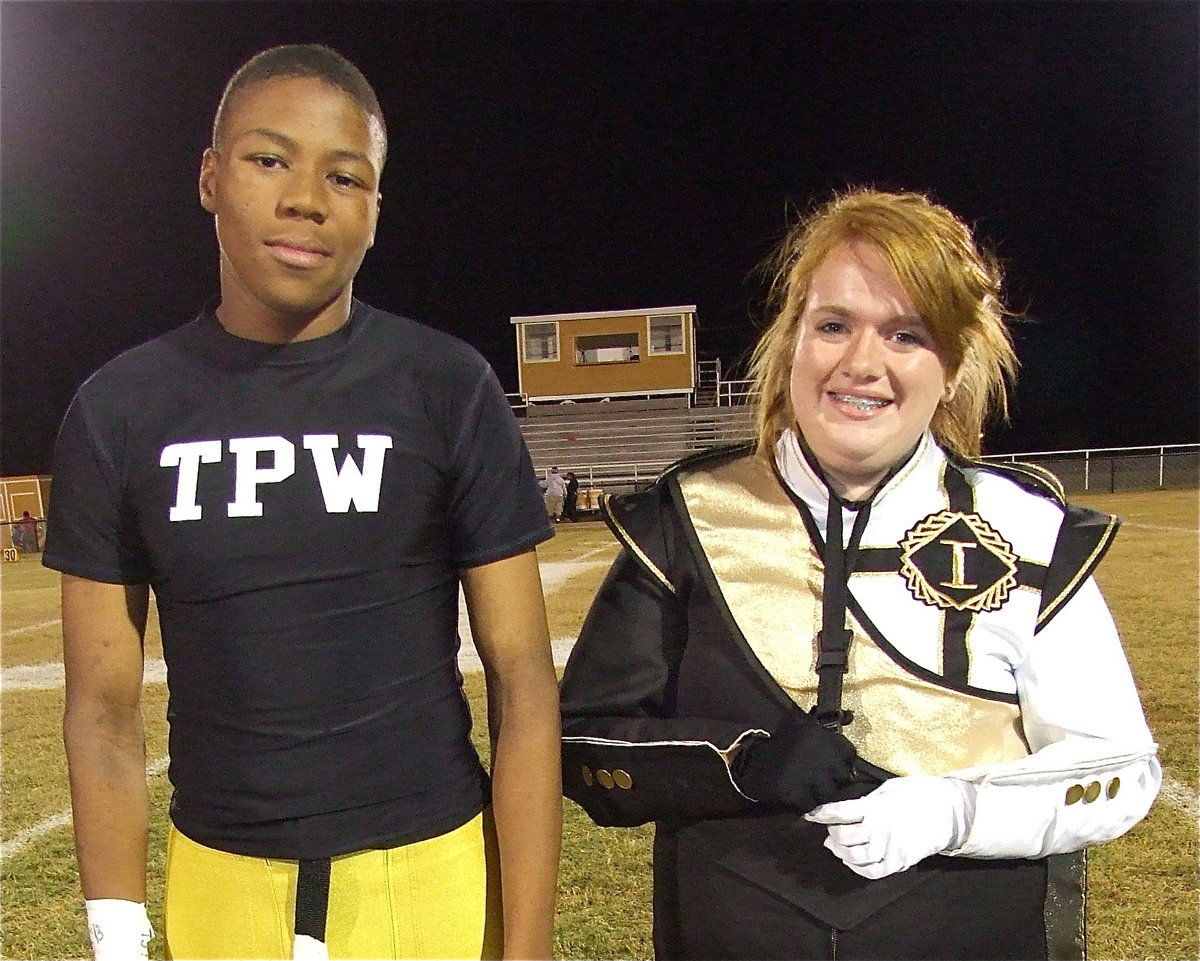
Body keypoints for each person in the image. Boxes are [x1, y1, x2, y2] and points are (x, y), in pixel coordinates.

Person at [45, 44, 561, 961]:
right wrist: (115, 934)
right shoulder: (119, 410)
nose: (305, 200)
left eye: (345, 175)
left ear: (374, 210)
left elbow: (523, 688)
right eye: (269, 158)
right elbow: (101, 708)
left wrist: (525, 947)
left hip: (430, 872)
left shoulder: (445, 385)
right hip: (221, 881)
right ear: (210, 177)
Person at [558, 189, 1160, 960]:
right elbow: (584, 745)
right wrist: (739, 760)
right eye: (834, 325)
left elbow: (1120, 775)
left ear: (952, 364)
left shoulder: (1030, 531)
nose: (861, 363)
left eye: (906, 334)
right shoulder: (690, 518)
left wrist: (955, 810)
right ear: (792, 342)